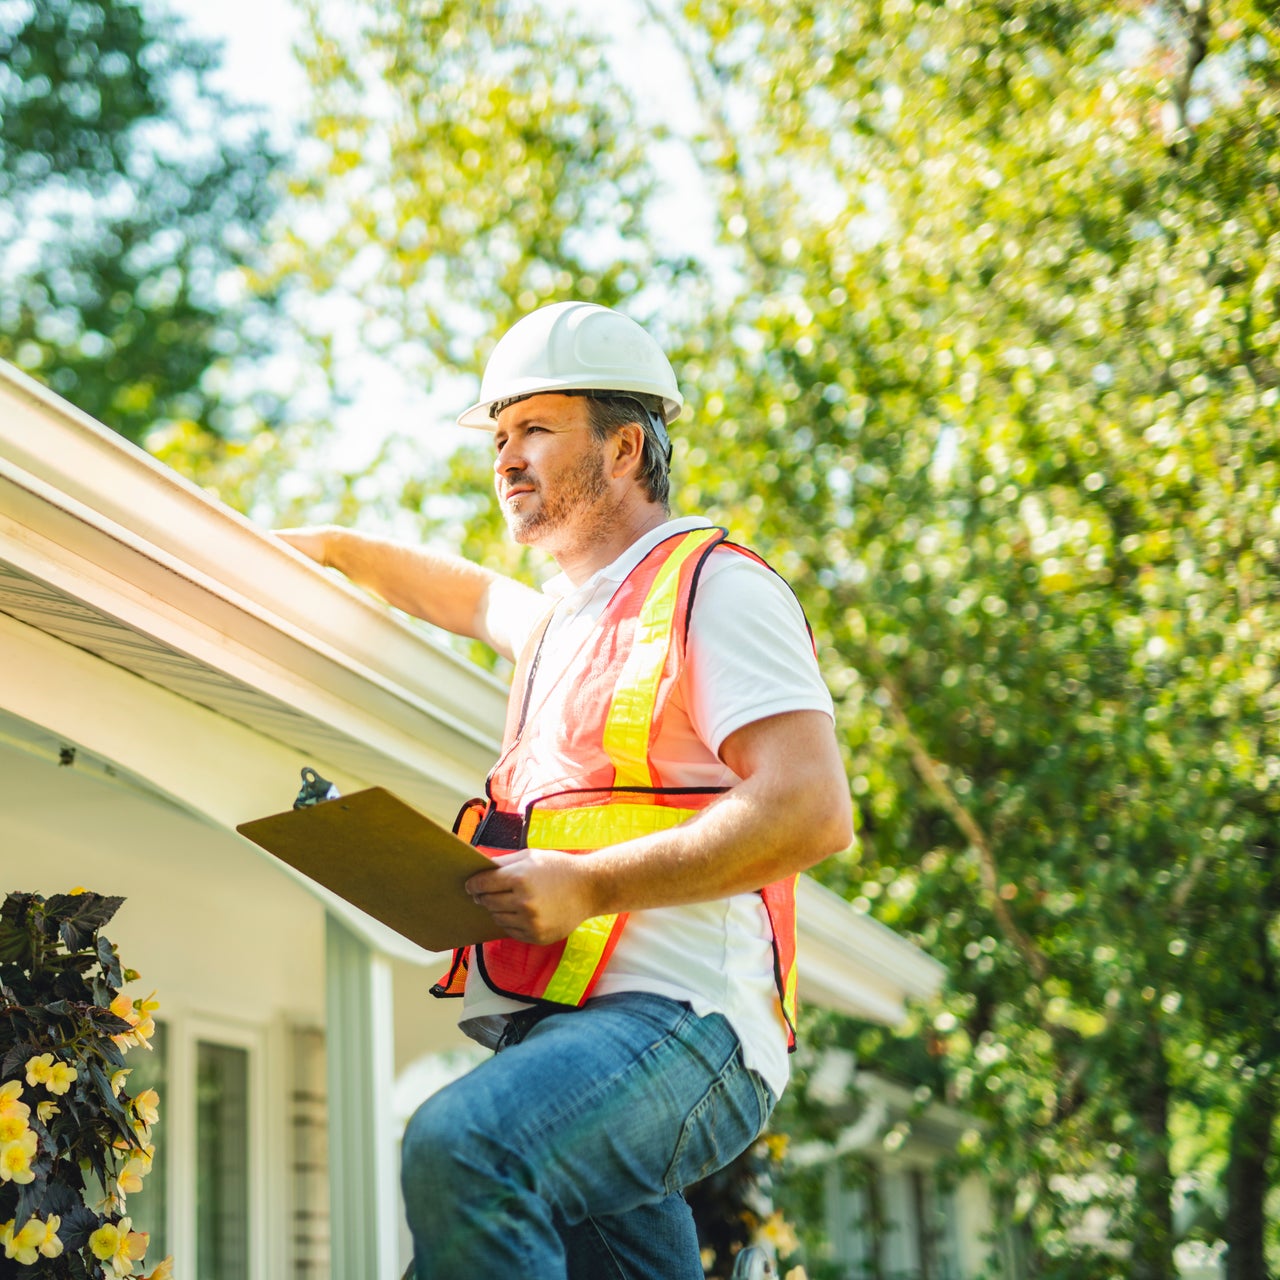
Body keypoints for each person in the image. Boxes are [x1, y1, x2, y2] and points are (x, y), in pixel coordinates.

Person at [276, 301, 853, 1280]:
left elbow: (810, 808)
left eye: (534, 428)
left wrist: (586, 885)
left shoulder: (713, 587)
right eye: (497, 435)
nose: (505, 456)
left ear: (625, 447)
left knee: (463, 1146)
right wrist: (330, 548)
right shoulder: (560, 624)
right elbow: (458, 593)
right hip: (565, 1031)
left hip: (683, 1025)